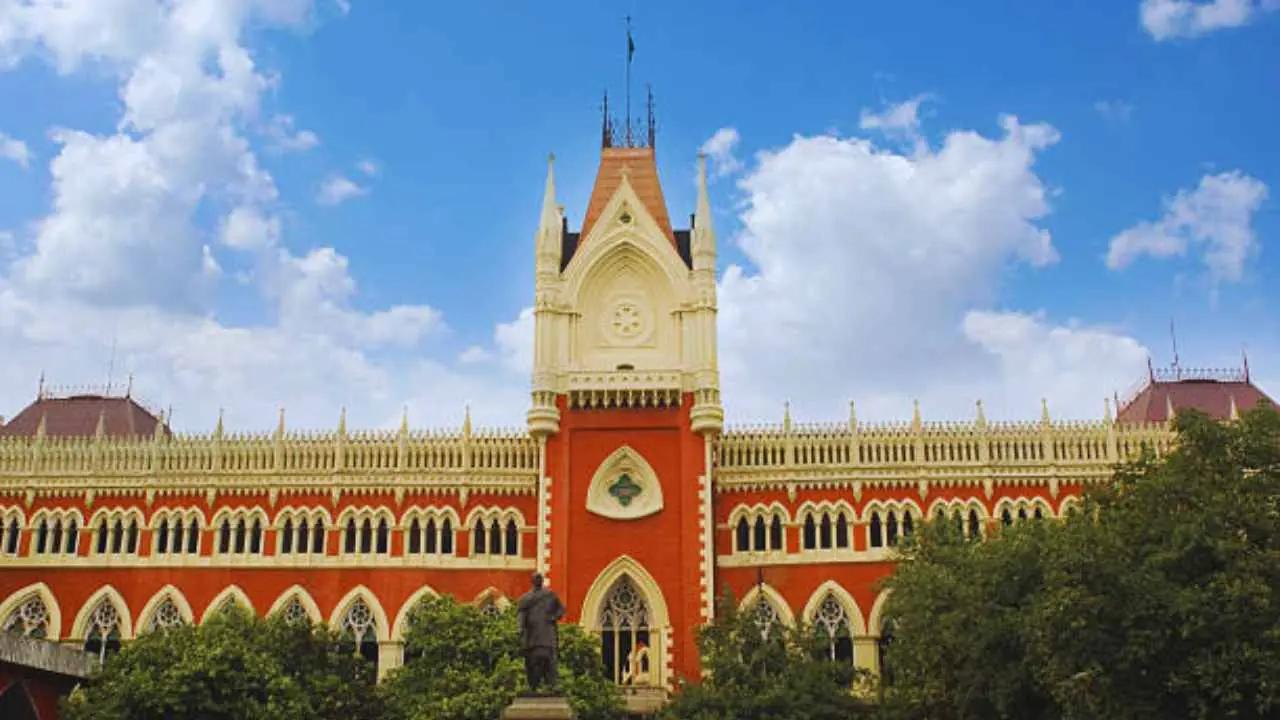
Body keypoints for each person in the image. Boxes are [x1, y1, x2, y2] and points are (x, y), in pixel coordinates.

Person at [516, 572, 565, 693]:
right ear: (532, 581)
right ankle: (533, 686)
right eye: (536, 578)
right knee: (532, 662)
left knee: (550, 660)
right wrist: (520, 629)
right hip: (532, 635)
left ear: (542, 581)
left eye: (540, 578)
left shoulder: (550, 596)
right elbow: (521, 616)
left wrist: (554, 617)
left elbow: (561, 609)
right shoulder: (526, 598)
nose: (538, 580)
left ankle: (552, 684)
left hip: (548, 633)